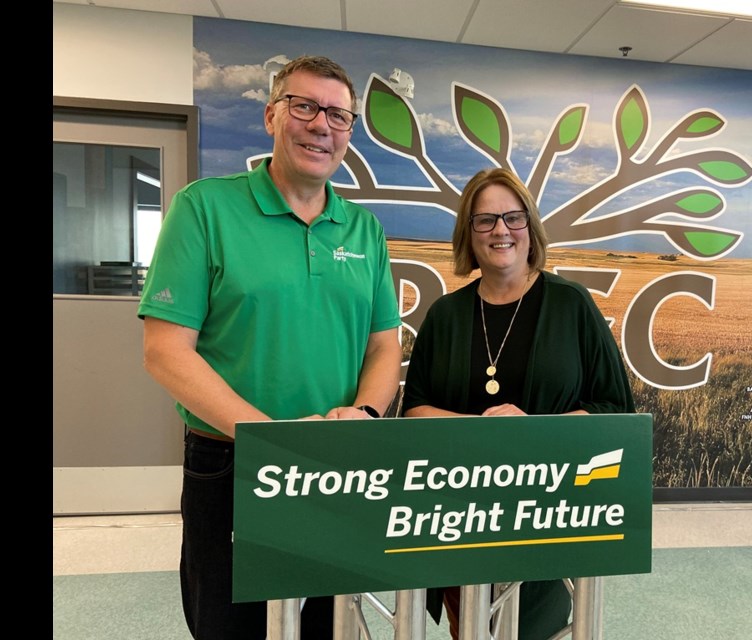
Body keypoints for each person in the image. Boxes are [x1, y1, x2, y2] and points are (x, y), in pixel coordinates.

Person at [138, 55, 402, 640]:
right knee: (228, 626)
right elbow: (165, 350)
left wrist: (363, 415)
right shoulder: (203, 209)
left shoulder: (365, 231)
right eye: (304, 106)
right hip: (233, 459)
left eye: (338, 114)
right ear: (271, 117)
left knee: (330, 624)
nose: (321, 125)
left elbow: (385, 346)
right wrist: (268, 440)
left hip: (337, 463)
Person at [401, 168, 636, 639]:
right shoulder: (445, 315)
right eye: (485, 220)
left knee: (538, 628)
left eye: (513, 217)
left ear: (531, 227)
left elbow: (615, 408)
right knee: (470, 629)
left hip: (551, 512)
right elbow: (414, 410)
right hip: (458, 516)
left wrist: (533, 432)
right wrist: (481, 429)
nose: (501, 231)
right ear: (469, 234)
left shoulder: (572, 305)